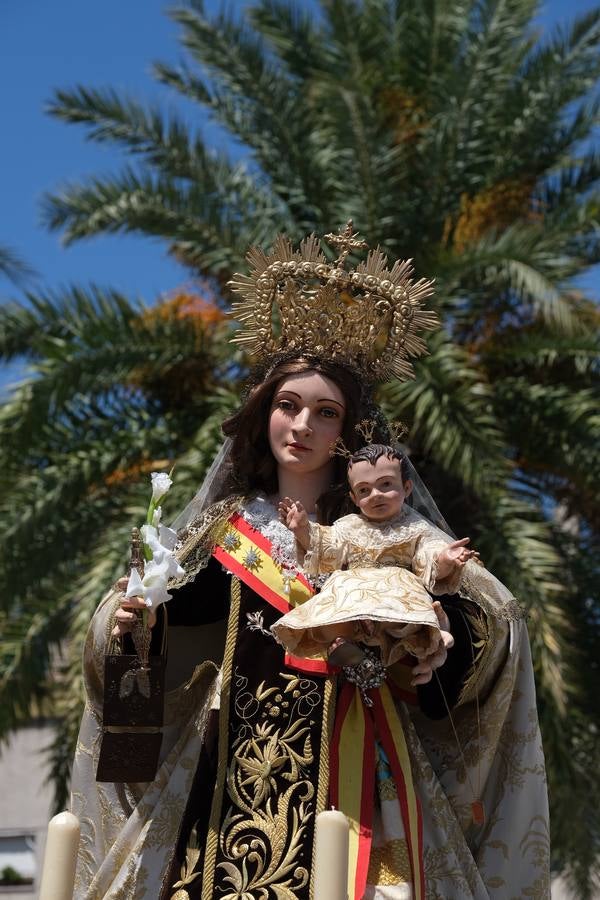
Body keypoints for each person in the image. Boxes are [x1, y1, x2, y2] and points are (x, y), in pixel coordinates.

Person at [69, 228, 549, 900]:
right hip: (238, 766)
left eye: (325, 413)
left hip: (361, 759)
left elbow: (484, 624)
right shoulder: (225, 532)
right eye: (288, 406)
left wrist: (440, 633)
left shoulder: (384, 532)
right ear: (264, 412)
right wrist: (131, 624)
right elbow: (164, 625)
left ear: (348, 431)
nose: (302, 426)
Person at [273, 442, 480, 668]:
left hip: (397, 588)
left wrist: (445, 558)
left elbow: (428, 553)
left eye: (386, 484)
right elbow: (327, 546)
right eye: (364, 490)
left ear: (407, 487)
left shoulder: (416, 528)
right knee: (333, 609)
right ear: (354, 498)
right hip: (352, 587)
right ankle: (344, 641)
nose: (376, 495)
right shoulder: (348, 525)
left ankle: (425, 639)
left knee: (404, 616)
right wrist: (303, 529)